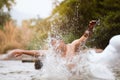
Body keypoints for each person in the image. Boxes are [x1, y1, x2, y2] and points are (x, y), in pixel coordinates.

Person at [0, 20, 101, 60]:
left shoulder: (73, 45)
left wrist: (90, 28)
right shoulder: (54, 53)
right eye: (52, 45)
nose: (54, 47)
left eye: (55, 44)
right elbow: (37, 52)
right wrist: (22, 51)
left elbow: (84, 37)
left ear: (61, 41)